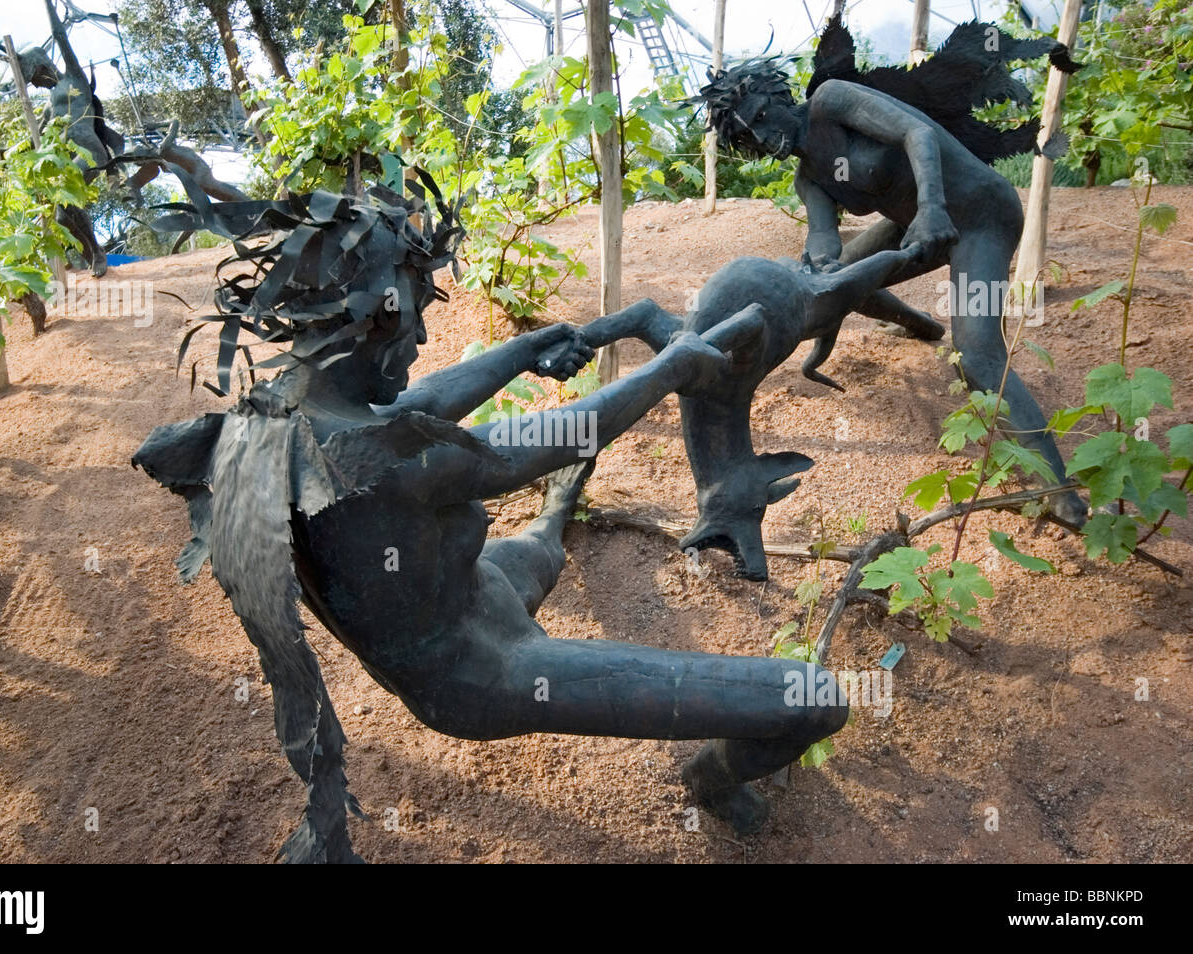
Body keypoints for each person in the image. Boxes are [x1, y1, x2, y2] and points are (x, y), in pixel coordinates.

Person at [133, 182, 849, 862]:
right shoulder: (377, 461)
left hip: (478, 591)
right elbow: (542, 441)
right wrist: (671, 370)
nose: (419, 339)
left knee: (543, 547)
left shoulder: (299, 400)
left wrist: (523, 351)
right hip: (485, 675)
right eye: (416, 316)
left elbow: (417, 404)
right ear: (376, 316)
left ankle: (559, 512)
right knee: (812, 699)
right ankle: (713, 778)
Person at [698, 17, 1088, 524]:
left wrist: (931, 206)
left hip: (976, 216)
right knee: (843, 284)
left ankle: (1062, 493)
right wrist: (812, 280)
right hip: (914, 225)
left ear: (774, 96)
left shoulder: (832, 100)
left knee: (977, 356)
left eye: (760, 115)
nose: (763, 133)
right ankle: (921, 325)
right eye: (749, 136)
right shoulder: (810, 180)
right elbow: (825, 248)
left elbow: (916, 131)